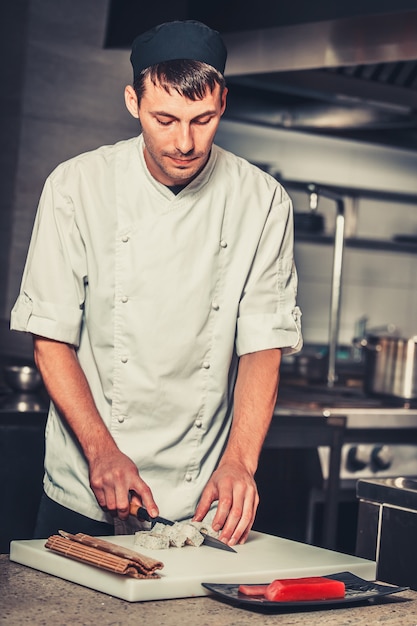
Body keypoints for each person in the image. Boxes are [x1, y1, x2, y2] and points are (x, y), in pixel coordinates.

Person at [11, 20, 302, 547]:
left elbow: (263, 343)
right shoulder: (77, 186)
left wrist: (239, 462)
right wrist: (102, 451)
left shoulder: (262, 200)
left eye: (203, 119)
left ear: (223, 104)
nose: (184, 142)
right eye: (164, 119)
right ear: (132, 101)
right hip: (85, 484)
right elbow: (51, 337)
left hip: (202, 498)